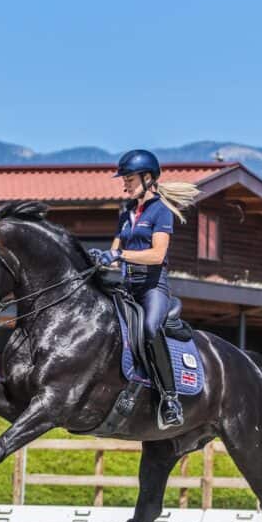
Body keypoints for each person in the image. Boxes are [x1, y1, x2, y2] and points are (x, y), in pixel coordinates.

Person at [90, 150, 200, 428]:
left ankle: (170, 398)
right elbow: (115, 250)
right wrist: (102, 257)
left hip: (153, 288)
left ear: (147, 178)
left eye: (128, 178)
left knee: (150, 329)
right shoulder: (125, 212)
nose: (124, 183)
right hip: (127, 285)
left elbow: (157, 255)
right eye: (123, 179)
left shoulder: (161, 211)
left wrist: (120, 256)